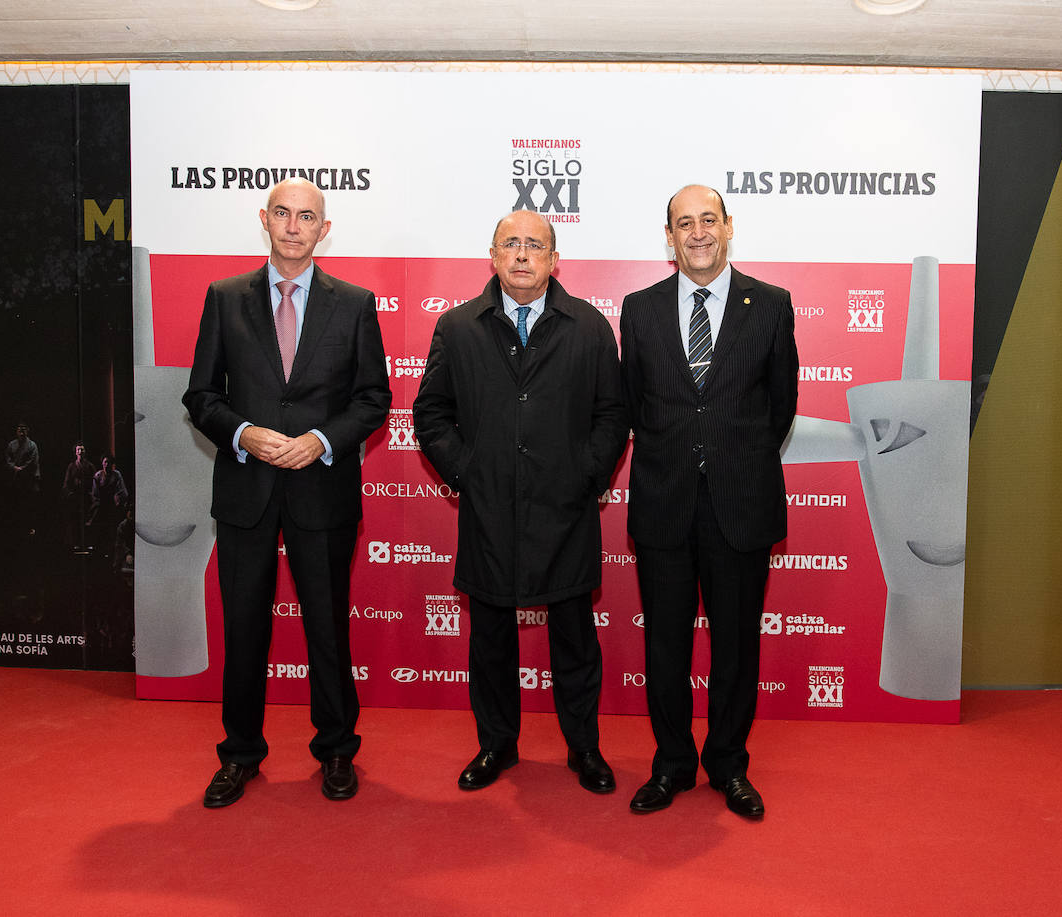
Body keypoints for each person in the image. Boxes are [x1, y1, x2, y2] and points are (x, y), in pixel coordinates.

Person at [183, 177, 390, 808]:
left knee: (327, 627)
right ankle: (240, 753)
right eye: (282, 213)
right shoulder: (224, 298)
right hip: (246, 487)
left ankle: (335, 751)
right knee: (244, 628)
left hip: (321, 488)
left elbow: (373, 399)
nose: (294, 225)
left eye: (307, 216)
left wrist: (321, 441)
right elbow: (201, 396)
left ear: (324, 229)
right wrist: (244, 431)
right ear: (264, 221)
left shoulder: (354, 303)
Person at [413, 209, 628, 794]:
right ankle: (497, 746)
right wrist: (470, 474)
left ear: (555, 259)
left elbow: (612, 416)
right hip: (488, 514)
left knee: (575, 640)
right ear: (493, 255)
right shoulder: (458, 328)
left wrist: (586, 475)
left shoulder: (588, 327)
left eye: (536, 244)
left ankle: (584, 748)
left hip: (566, 513)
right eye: (511, 243)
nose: (523, 254)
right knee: (490, 641)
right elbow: (429, 415)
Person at [620, 184, 798, 819]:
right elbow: (633, 403)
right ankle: (671, 764)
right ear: (668, 237)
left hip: (740, 503)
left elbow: (781, 408)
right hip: (664, 502)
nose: (697, 233)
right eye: (683, 223)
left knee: (736, 647)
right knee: (664, 645)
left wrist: (730, 459)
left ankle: (727, 763)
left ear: (729, 227)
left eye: (708, 220)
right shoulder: (638, 310)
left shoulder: (771, 306)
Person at [61, 443, 96, 549]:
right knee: (75, 521)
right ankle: (75, 543)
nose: (80, 452)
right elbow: (66, 482)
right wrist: (69, 493)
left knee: (87, 520)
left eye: (82, 450)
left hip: (86, 496)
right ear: (75, 452)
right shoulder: (71, 466)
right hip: (75, 497)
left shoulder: (90, 466)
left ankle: (87, 542)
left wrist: (92, 493)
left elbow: (94, 481)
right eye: (78, 450)